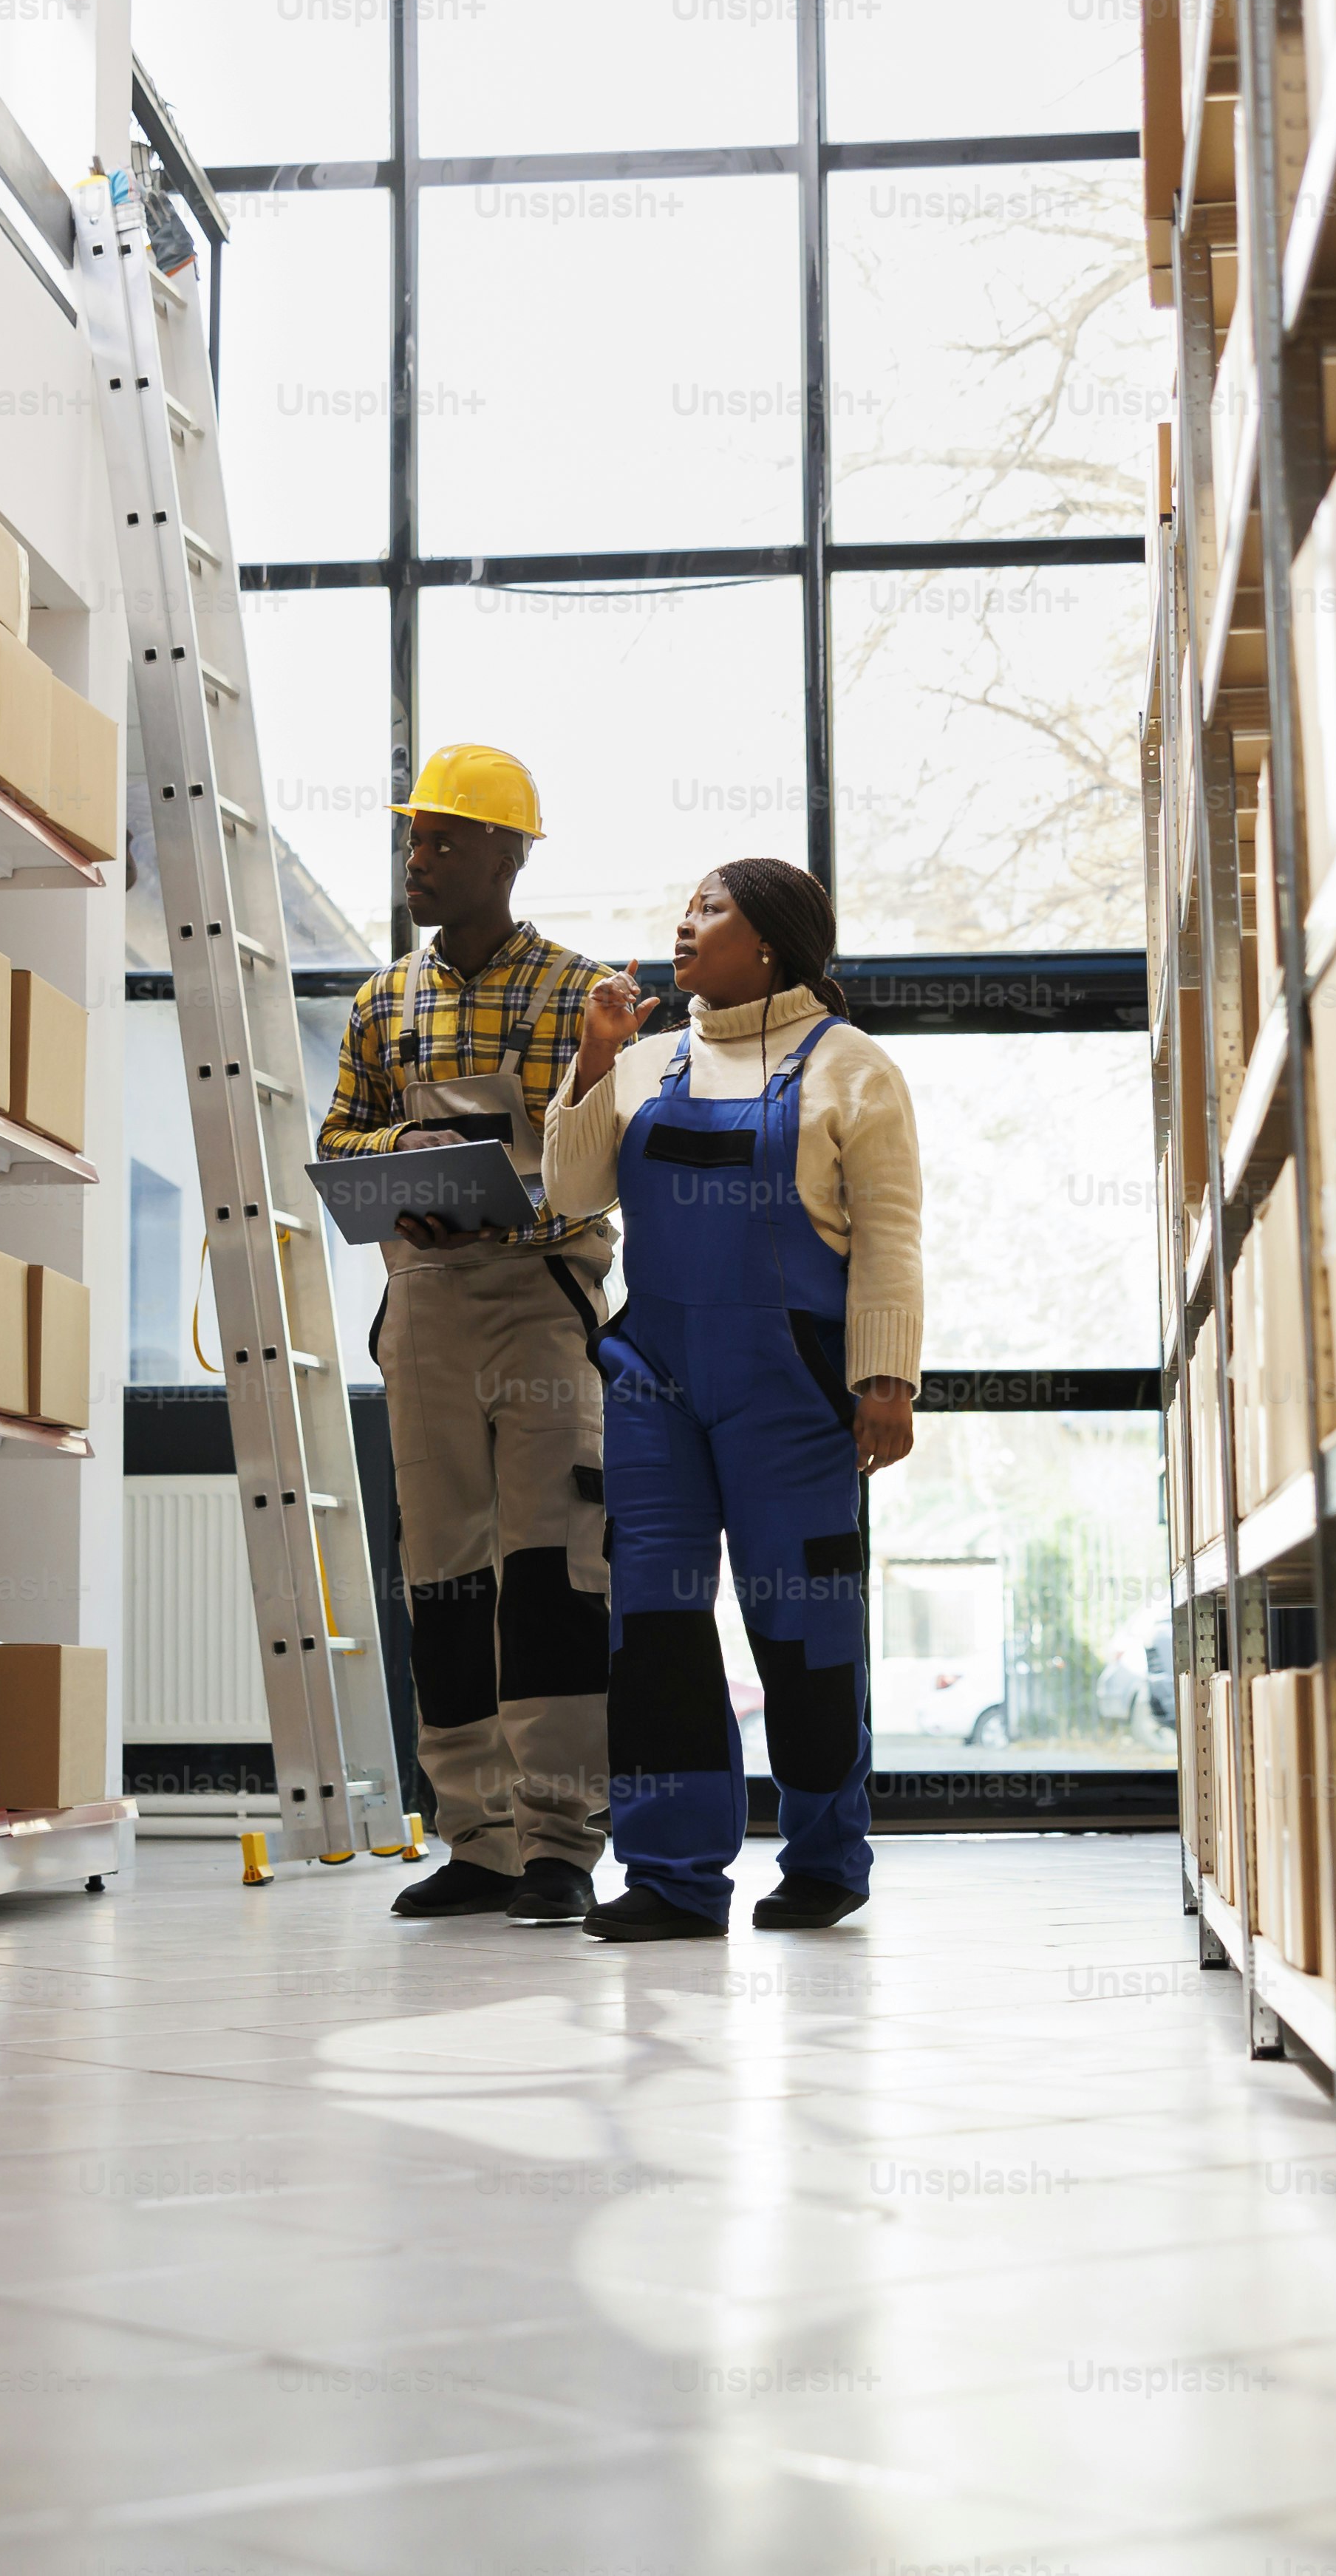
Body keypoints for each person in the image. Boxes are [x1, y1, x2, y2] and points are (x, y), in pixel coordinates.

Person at [542, 858, 923, 1940]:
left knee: (801, 1623)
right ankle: (672, 1873)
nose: (683, 922)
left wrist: (885, 1380)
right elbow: (570, 1196)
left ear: (769, 941)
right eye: (687, 904)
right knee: (653, 1624)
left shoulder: (853, 1070)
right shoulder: (648, 1060)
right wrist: (592, 1058)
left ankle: (824, 1854)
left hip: (790, 1385)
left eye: (710, 908)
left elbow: (890, 1237)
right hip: (655, 1379)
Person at [320, 743, 616, 1927]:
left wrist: (529, 1163)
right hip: (425, 1302)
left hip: (542, 1300)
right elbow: (340, 1138)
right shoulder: (382, 1003)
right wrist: (405, 1161)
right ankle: (477, 1840)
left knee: (549, 1571)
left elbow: (601, 1166)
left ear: (508, 853)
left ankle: (557, 1840)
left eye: (445, 840)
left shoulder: (581, 992)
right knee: (440, 1575)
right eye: (413, 839)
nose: (418, 860)